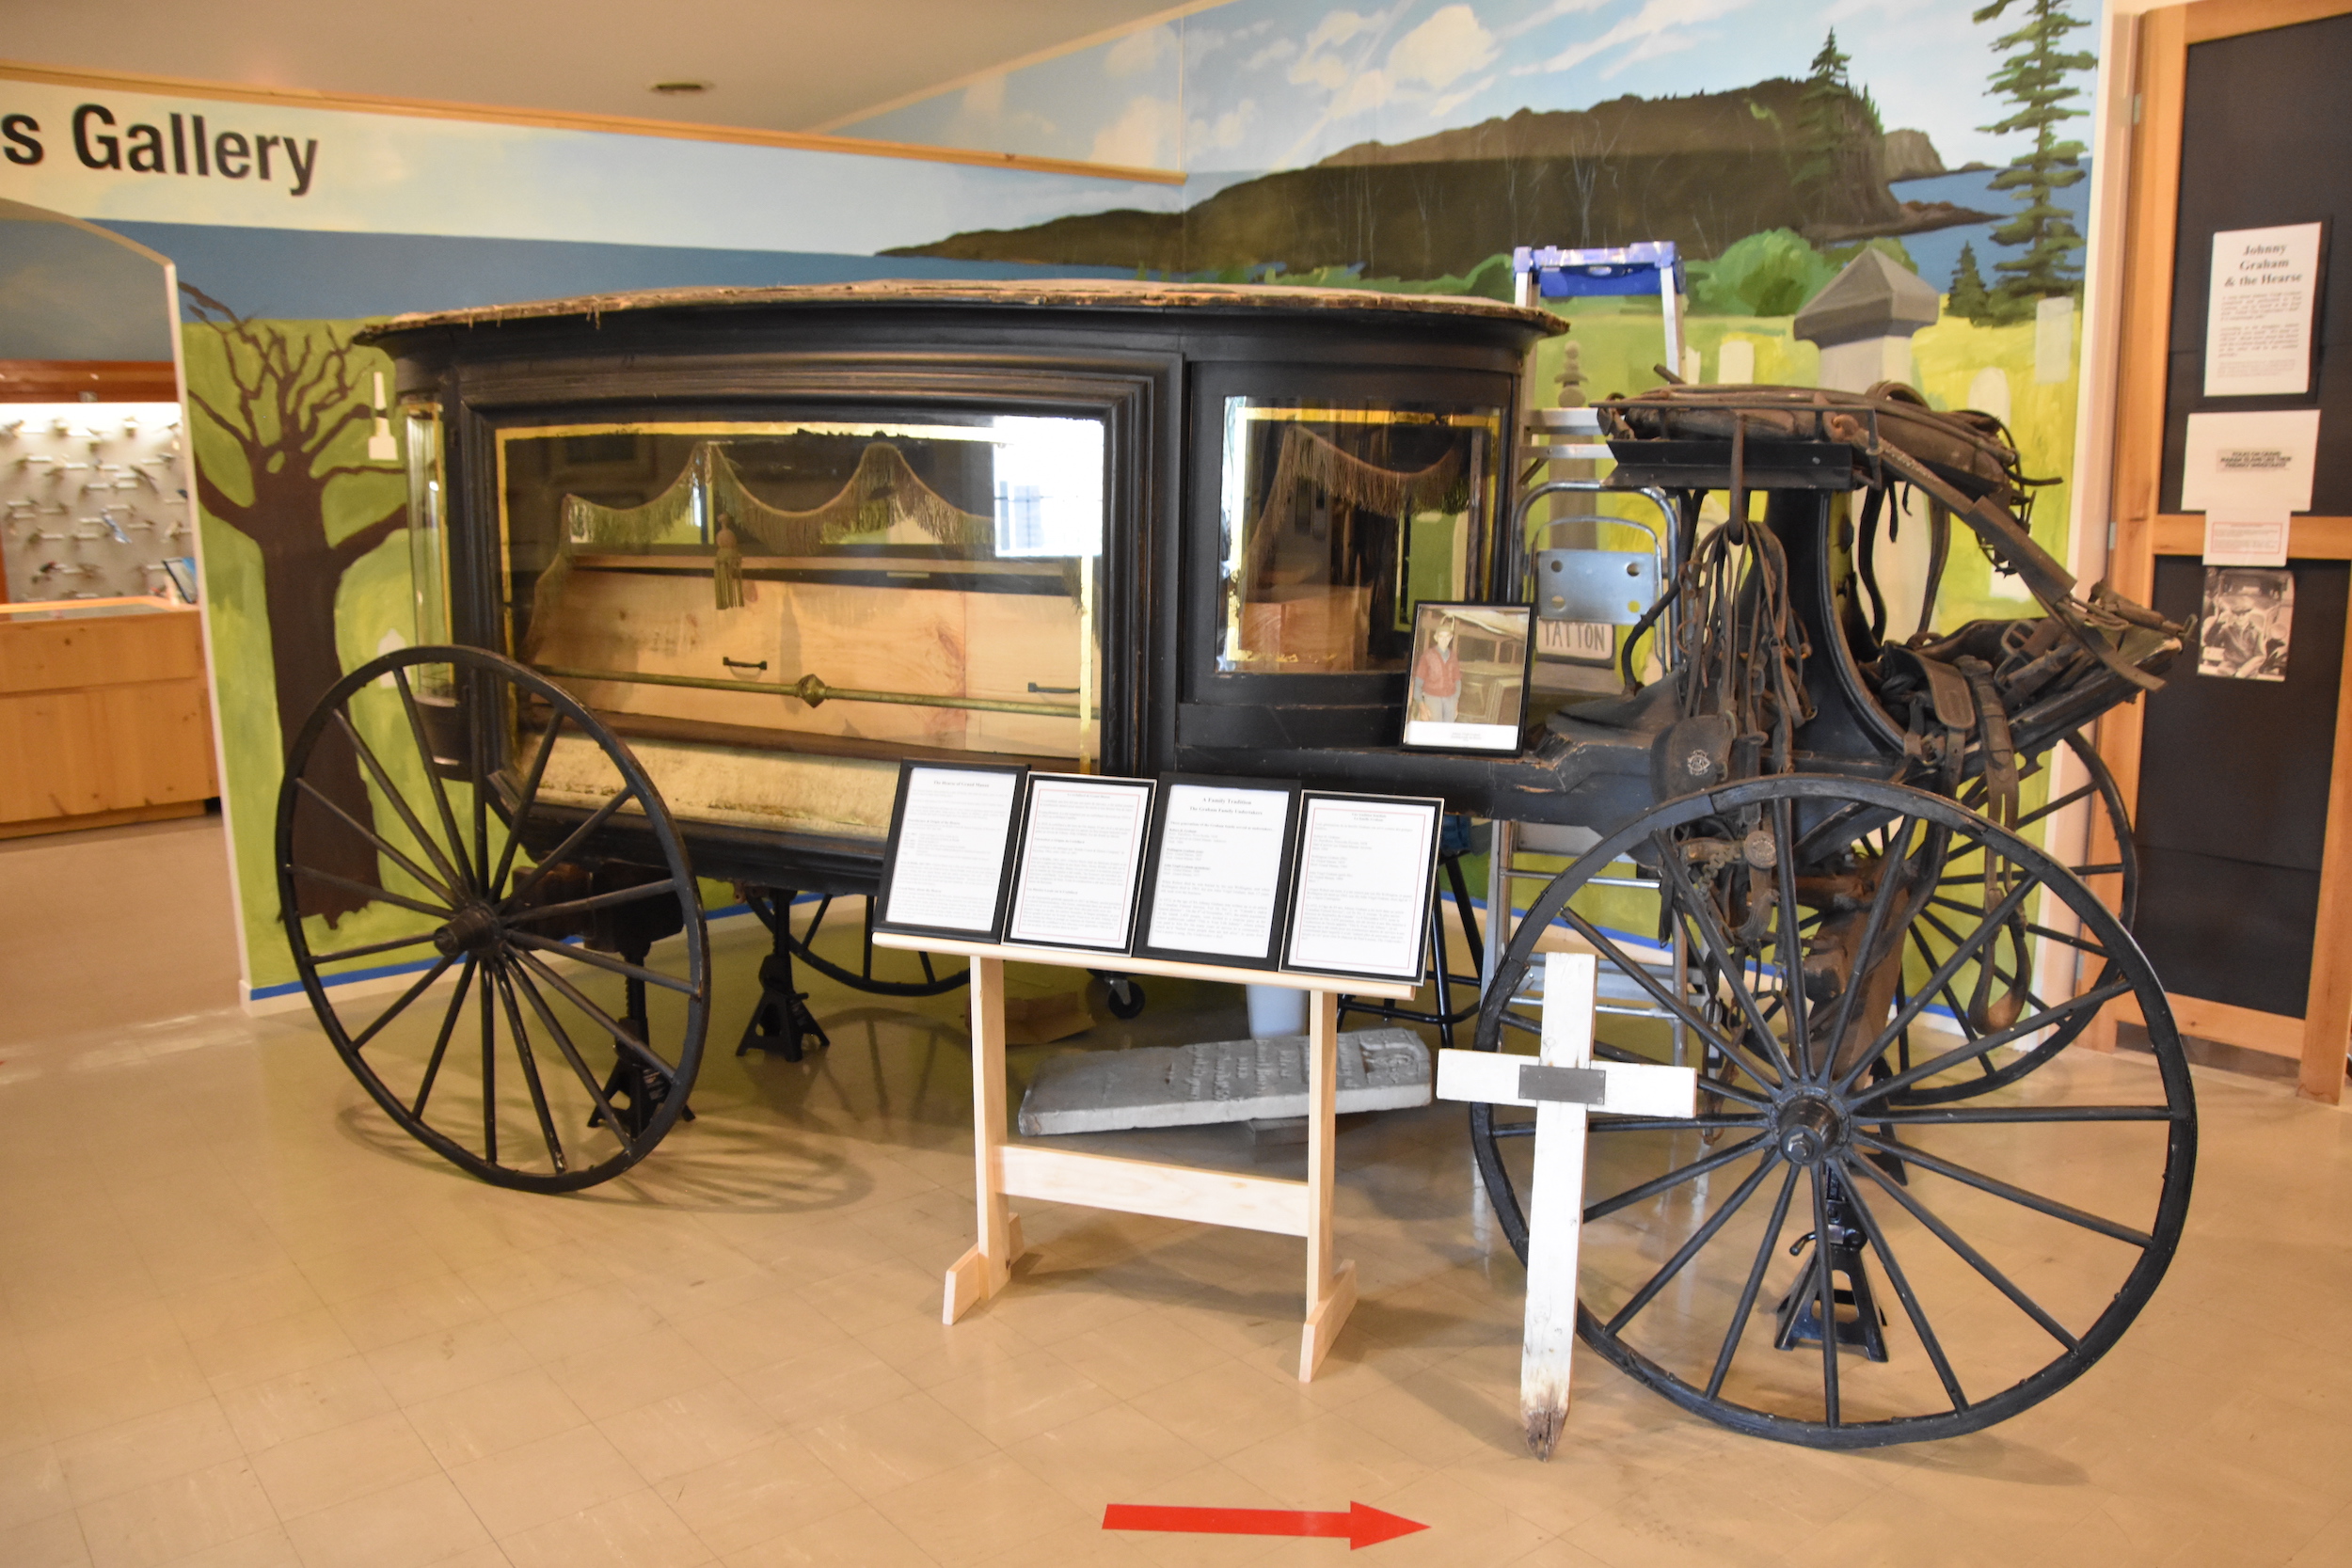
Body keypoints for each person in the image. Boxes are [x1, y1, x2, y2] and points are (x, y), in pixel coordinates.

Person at [1412, 613, 1462, 722]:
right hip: (1432, 699)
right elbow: (1418, 684)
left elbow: (1457, 681)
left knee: (1448, 731)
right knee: (1435, 730)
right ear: (1436, 637)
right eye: (1441, 636)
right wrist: (1421, 705)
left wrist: (1456, 701)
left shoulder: (1453, 657)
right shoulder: (1427, 656)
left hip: (1450, 699)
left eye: (1447, 636)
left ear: (1451, 637)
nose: (1444, 640)